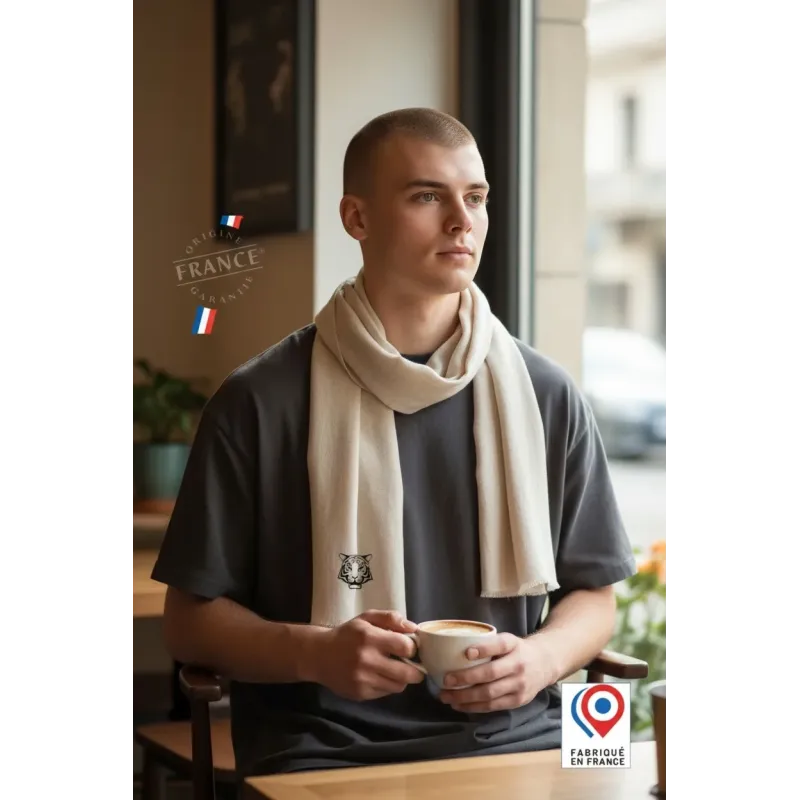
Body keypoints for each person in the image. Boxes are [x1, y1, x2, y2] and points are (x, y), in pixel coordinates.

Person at [151, 107, 636, 780]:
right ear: (357, 218)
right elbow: (188, 623)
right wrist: (315, 655)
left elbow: (596, 595)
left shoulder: (546, 394)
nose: (462, 222)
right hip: (325, 750)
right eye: (427, 196)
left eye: (476, 198)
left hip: (524, 739)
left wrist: (542, 661)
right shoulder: (258, 401)